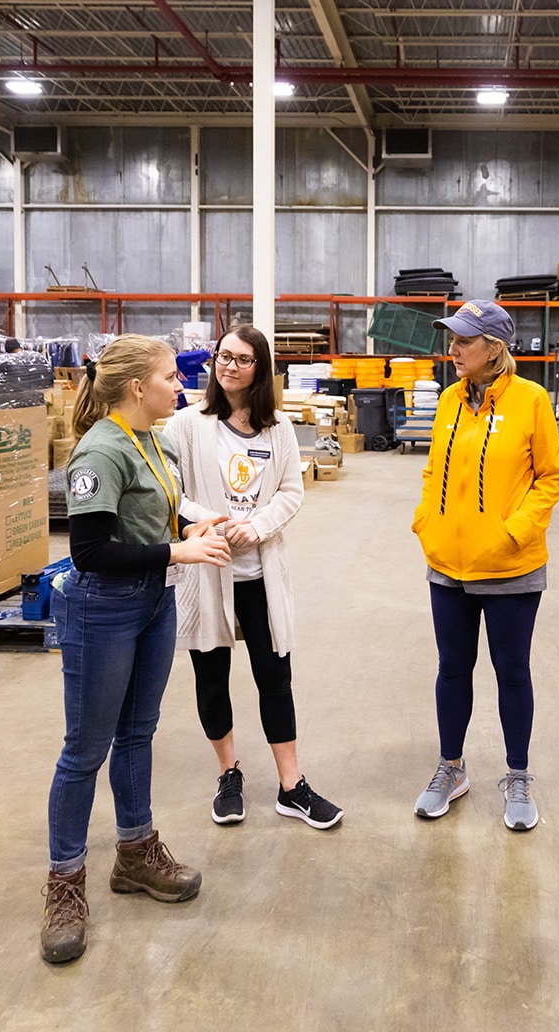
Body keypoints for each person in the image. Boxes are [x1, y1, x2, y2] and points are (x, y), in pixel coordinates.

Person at [40, 334, 232, 965]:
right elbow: (89, 552)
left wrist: (192, 525)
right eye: (171, 377)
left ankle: (134, 853)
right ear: (134, 389)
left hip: (153, 601)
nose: (180, 386)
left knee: (139, 732)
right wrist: (180, 551)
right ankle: (65, 883)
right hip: (103, 607)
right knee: (85, 750)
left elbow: (159, 513)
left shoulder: (157, 439)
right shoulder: (99, 451)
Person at [162, 324, 343, 831]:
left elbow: (290, 491)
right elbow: (170, 490)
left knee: (274, 676)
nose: (229, 366)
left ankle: (292, 787)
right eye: (223, 356)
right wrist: (210, 522)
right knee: (211, 678)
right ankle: (229, 773)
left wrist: (257, 526)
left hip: (260, 572)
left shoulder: (278, 428)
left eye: (242, 359)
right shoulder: (188, 425)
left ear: (260, 369)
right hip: (207, 570)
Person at [411, 300, 559, 831]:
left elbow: (551, 477)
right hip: (448, 564)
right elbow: (434, 468)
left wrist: (514, 532)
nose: (452, 349)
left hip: (510, 567)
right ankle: (450, 769)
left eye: (464, 341)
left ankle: (517, 776)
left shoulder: (531, 400)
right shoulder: (450, 400)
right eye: (451, 339)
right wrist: (425, 520)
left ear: (494, 349)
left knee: (511, 673)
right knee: (452, 670)